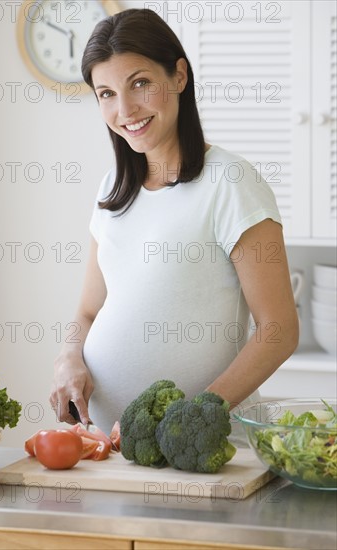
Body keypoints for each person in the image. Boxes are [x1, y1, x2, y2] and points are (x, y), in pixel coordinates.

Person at [49, 8, 299, 445]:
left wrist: (189, 419)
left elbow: (279, 331)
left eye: (140, 83)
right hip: (107, 445)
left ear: (179, 76)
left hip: (199, 450)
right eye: (106, 93)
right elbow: (88, 311)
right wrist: (68, 357)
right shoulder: (112, 189)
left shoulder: (231, 183)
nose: (125, 109)